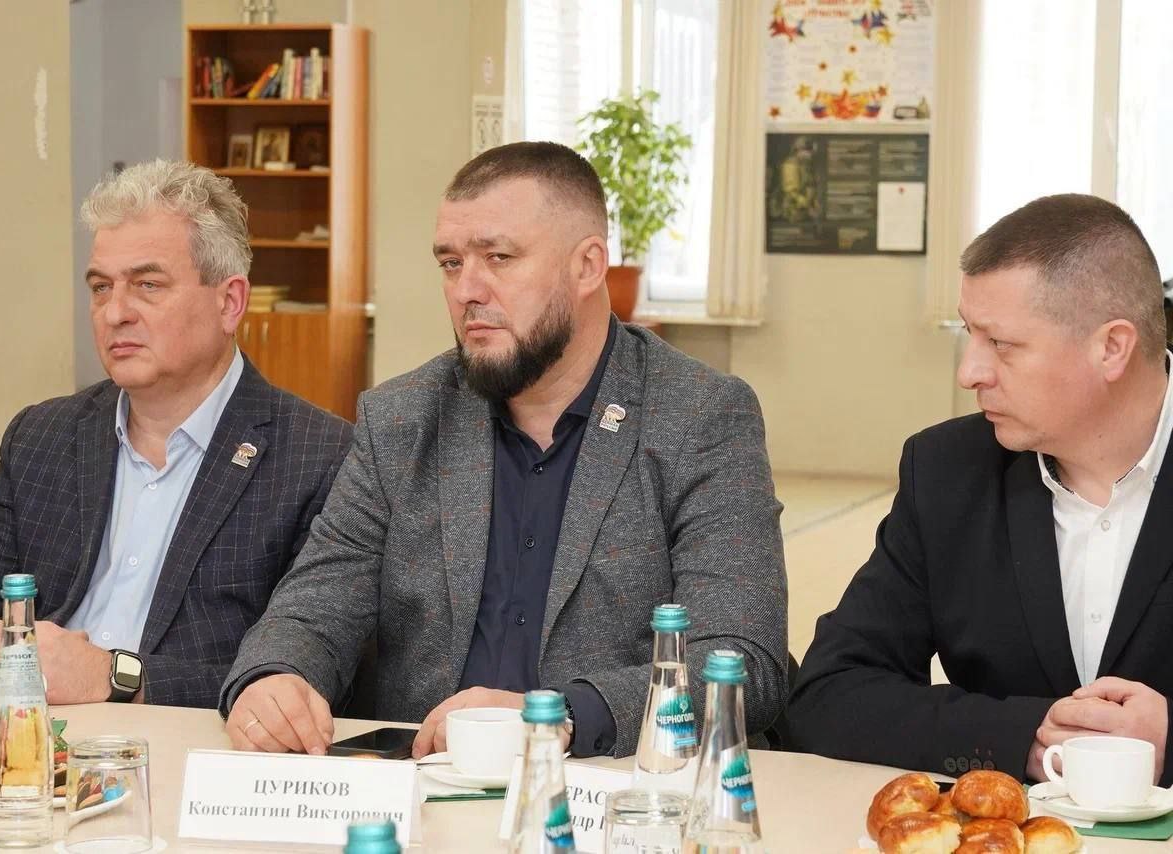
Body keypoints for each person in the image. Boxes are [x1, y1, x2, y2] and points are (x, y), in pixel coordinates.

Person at [219, 141, 788, 759]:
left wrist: (559, 717)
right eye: (450, 263)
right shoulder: (402, 419)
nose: (467, 289)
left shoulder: (699, 416)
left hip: (610, 787)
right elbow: (314, 606)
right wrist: (274, 676)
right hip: (422, 782)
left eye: (499, 257)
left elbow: (740, 662)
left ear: (588, 266)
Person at [0, 160, 353, 708]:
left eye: (148, 285)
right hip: (27, 735)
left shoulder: (320, 457)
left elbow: (297, 677)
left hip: (181, 746)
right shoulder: (41, 437)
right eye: (101, 288)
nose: (115, 313)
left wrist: (115, 676)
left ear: (230, 302)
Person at [789, 193, 1173, 786]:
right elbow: (827, 695)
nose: (969, 372)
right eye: (970, 335)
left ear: (1112, 347)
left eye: (1002, 344)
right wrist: (1026, 740)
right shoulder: (947, 472)